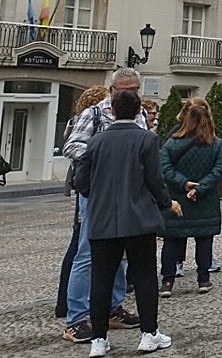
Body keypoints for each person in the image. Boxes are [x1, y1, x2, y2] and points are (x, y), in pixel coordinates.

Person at [73, 88, 181, 356]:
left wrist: (98, 198)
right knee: (144, 275)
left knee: (101, 279)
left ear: (112, 110)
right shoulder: (146, 139)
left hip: (103, 219)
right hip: (138, 218)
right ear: (137, 112)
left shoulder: (95, 142)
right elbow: (155, 180)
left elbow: (81, 182)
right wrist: (166, 203)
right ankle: (149, 333)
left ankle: (99, 339)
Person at [62, 69, 146, 344]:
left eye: (133, 89)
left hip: (128, 192)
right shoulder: (94, 114)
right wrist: (104, 156)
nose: (128, 94)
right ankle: (75, 319)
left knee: (121, 254)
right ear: (111, 90)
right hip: (97, 193)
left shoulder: (140, 114)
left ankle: (113, 308)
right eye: (123, 90)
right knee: (87, 253)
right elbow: (71, 146)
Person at [158, 104, 222, 297]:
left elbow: (164, 168)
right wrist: (200, 187)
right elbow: (220, 169)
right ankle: (203, 279)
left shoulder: (172, 143)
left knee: (171, 242)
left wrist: (184, 183)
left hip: (177, 199)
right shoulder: (217, 144)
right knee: (204, 241)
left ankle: (167, 281)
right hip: (205, 200)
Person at [57, 85, 109, 321]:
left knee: (80, 244)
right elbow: (74, 150)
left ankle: (67, 303)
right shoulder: (84, 122)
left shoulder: (77, 122)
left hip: (86, 186)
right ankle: (69, 306)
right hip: (89, 188)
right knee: (80, 247)